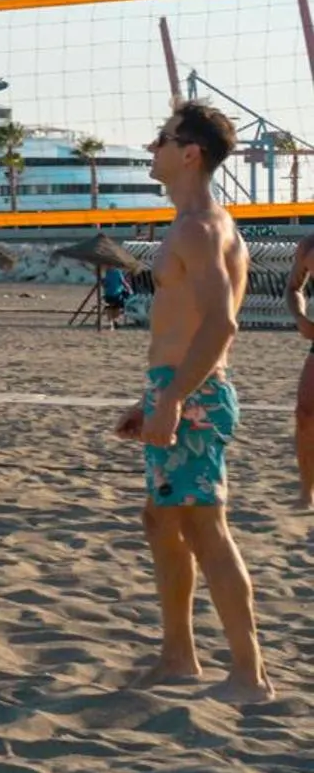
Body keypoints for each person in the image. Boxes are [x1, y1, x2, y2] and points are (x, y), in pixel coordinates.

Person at [114, 99, 271, 701]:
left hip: (195, 393)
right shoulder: (200, 224)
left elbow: (221, 324)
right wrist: (152, 397)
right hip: (179, 387)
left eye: (162, 138)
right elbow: (182, 329)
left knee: (207, 530)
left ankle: (249, 676)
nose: (152, 147)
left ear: (190, 153)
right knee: (162, 522)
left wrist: (175, 398)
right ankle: (179, 658)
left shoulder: (199, 227)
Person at [290, 234, 314, 509]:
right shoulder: (309, 245)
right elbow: (294, 287)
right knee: (305, 414)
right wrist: (300, 318)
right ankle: (307, 493)